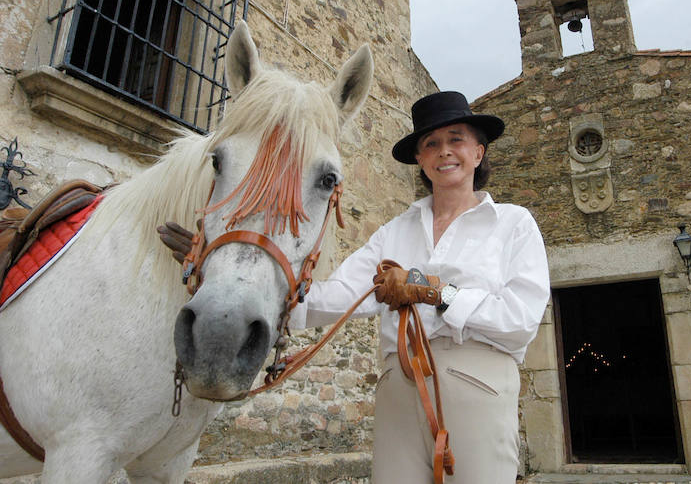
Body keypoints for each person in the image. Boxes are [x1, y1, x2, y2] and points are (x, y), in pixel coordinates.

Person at [162, 91, 551, 483]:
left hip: (478, 386)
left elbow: (520, 320)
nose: (444, 151)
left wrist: (435, 293)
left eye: (456, 139)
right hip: (400, 388)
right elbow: (334, 297)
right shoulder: (393, 232)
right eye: (431, 143)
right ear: (420, 160)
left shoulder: (513, 224)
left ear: (479, 153)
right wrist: (221, 275)